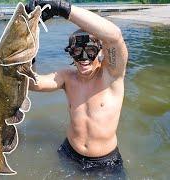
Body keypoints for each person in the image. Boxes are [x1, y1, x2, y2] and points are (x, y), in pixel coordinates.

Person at [26, 0, 128, 178]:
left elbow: (114, 36)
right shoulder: (67, 77)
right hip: (69, 153)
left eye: (89, 51)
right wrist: (30, 52)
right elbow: (32, 83)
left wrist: (61, 9)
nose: (83, 58)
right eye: (76, 51)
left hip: (106, 162)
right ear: (70, 53)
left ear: (100, 51)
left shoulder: (111, 75)